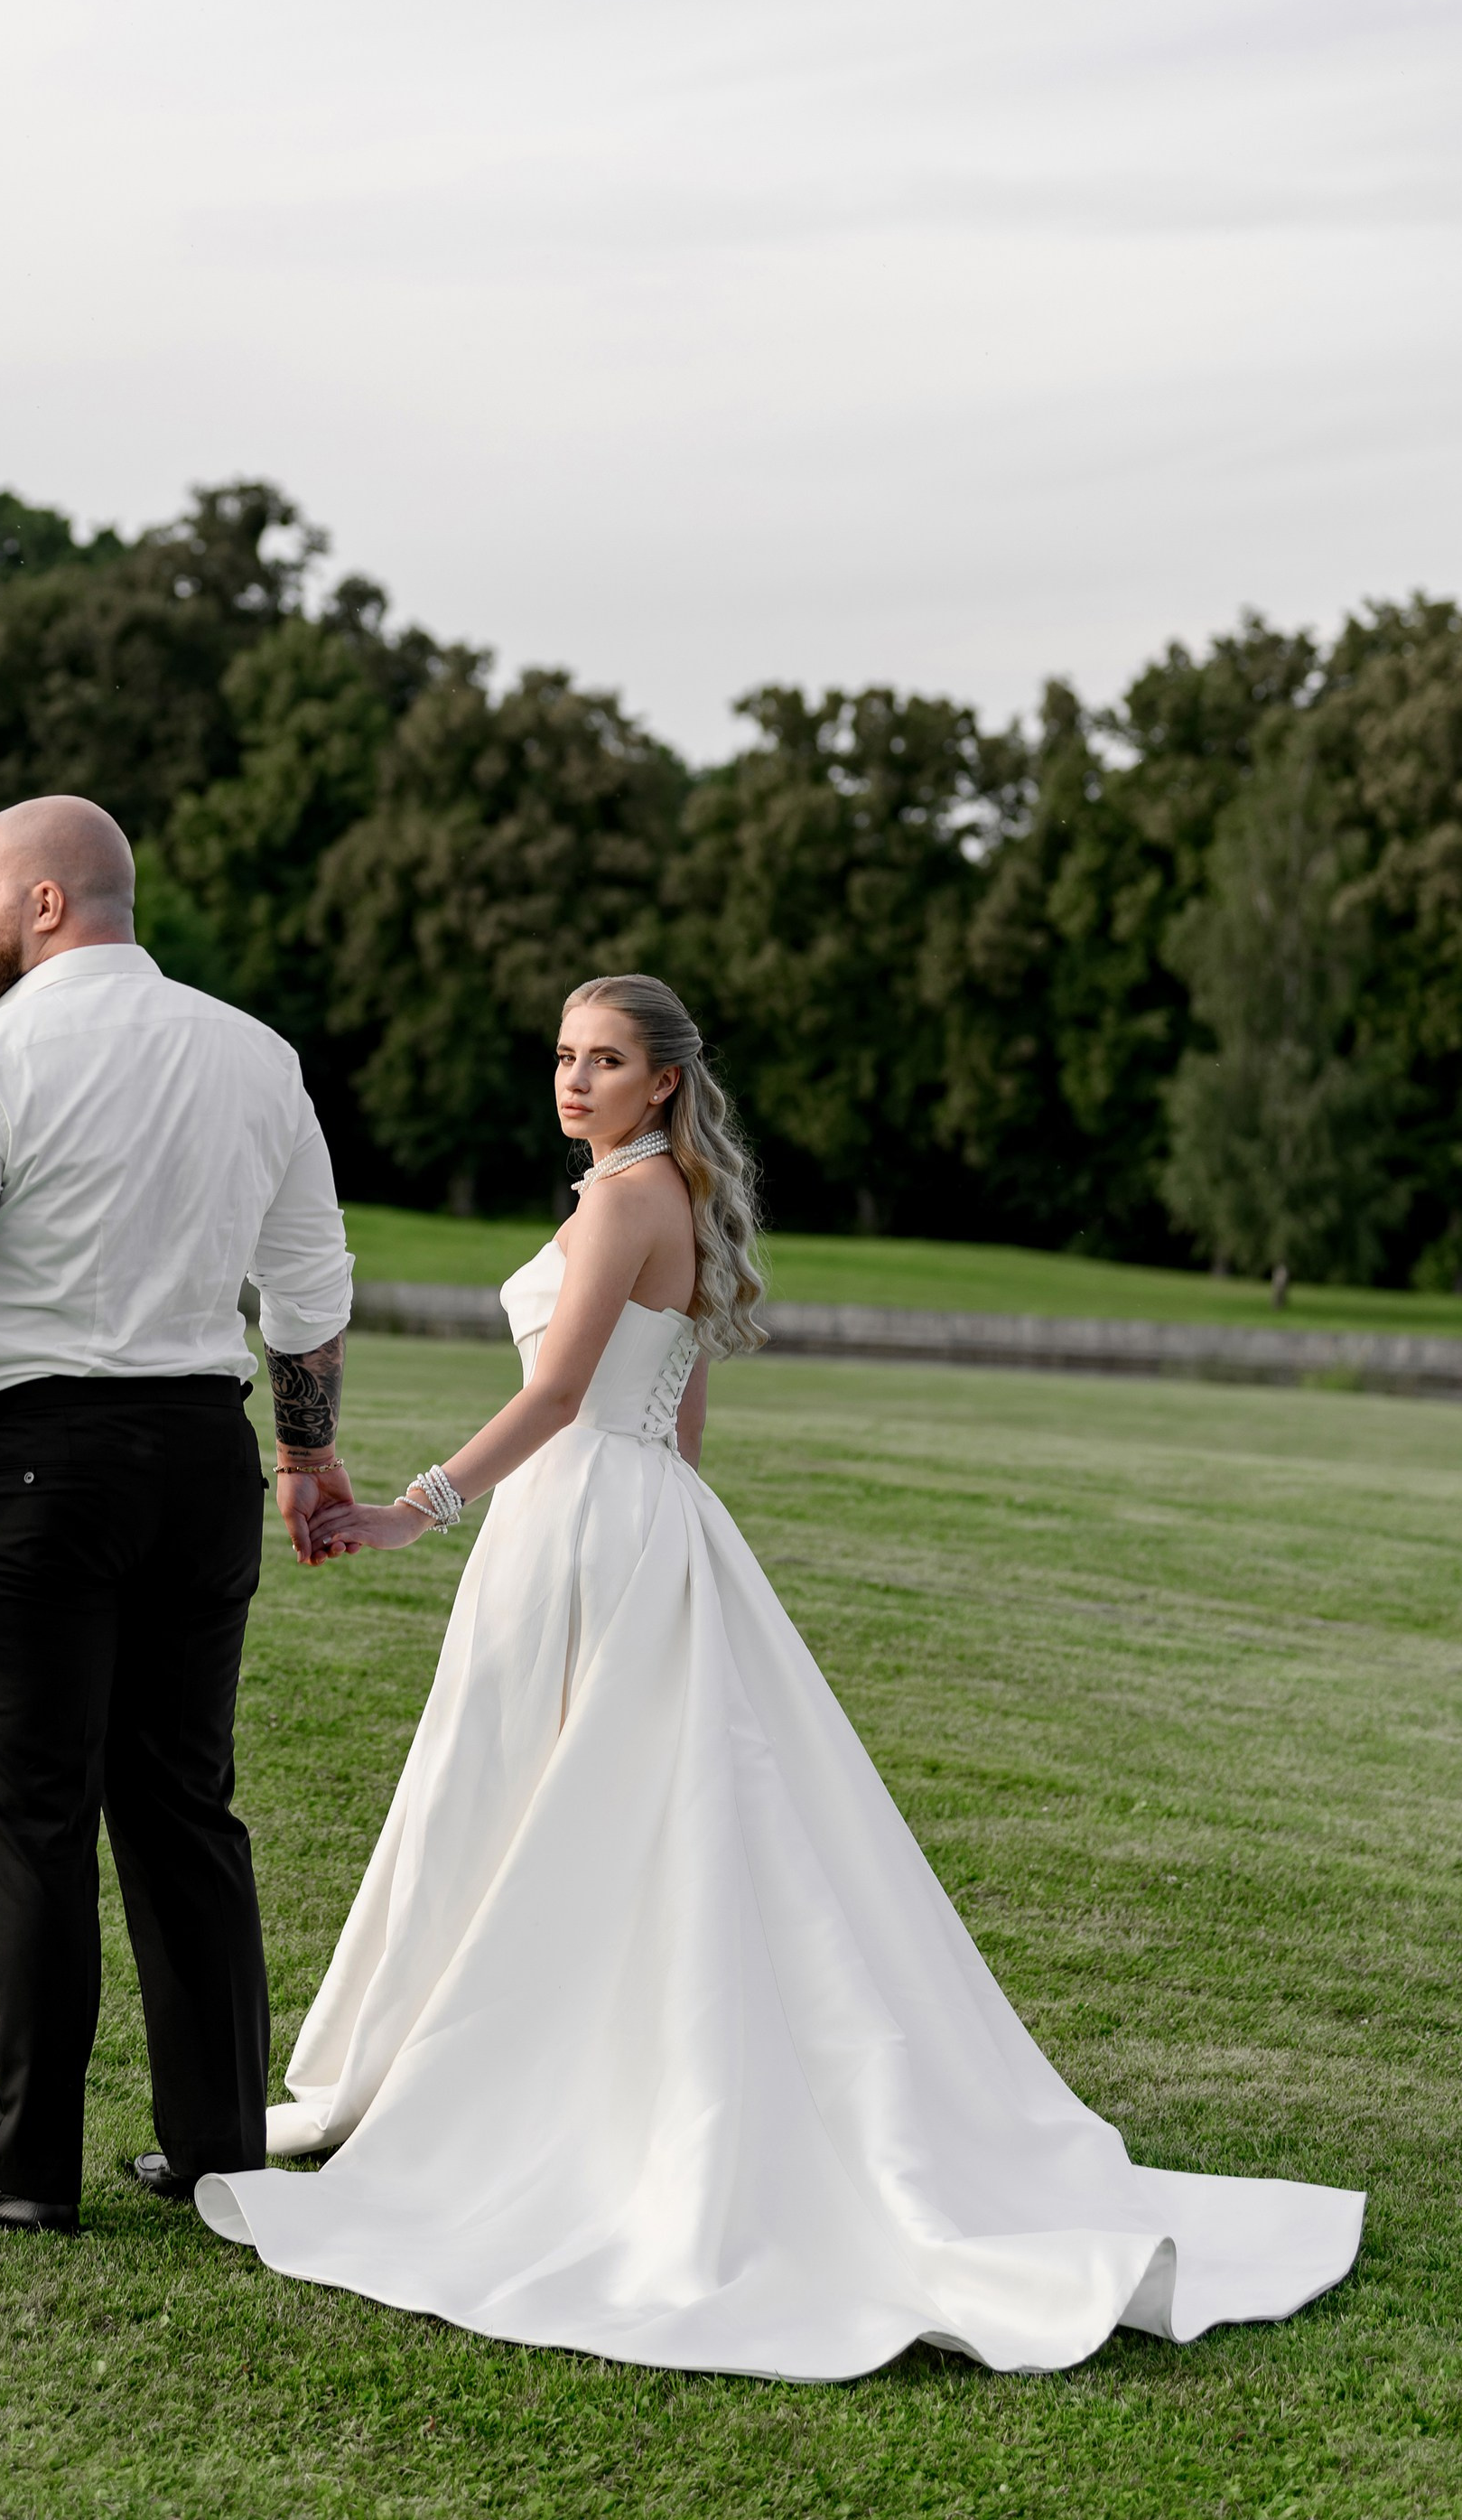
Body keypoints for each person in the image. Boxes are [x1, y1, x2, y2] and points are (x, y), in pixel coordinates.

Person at [194, 973, 1364, 2378]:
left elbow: (562, 1396)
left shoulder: (627, 1201)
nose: (573, 1079)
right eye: (564, 1055)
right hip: (625, 1518)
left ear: (663, 1080)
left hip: (585, 1514)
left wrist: (412, 1509)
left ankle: (549, 2090)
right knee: (585, 1798)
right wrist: (656, 1533)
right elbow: (680, 1419)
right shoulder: (660, 1197)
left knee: (573, 1799)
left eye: (605, 1059)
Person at [0, 794, 356, 2233]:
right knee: (184, 1808)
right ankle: (219, 2147)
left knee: (30, 1820)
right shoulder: (256, 1054)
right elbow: (307, 1286)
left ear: (45, 902)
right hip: (202, 1462)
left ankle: (27, 2168)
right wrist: (305, 1457)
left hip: (29, 1469)